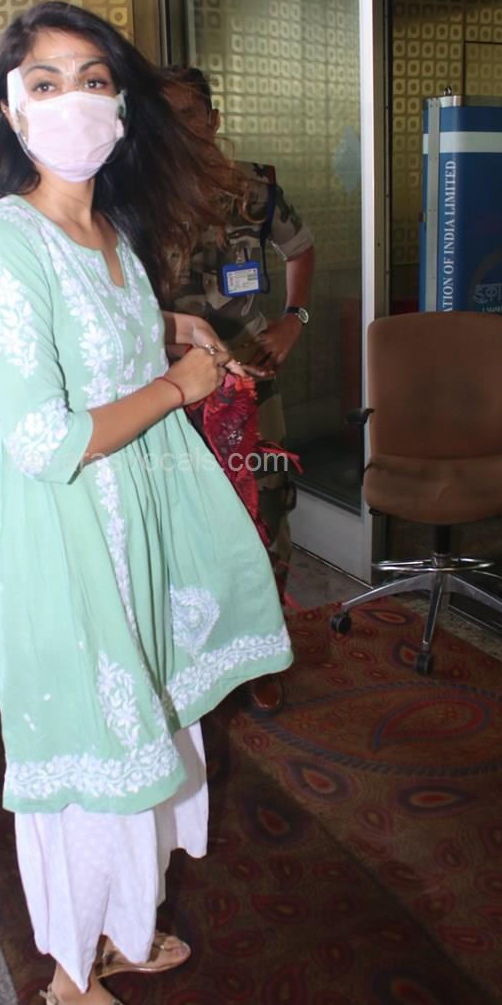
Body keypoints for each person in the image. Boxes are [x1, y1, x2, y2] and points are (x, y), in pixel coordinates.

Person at [0, 1, 292, 1005]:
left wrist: (167, 327)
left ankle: (107, 926)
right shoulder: (1, 243)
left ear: (122, 105)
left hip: (131, 522)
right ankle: (71, 992)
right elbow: (43, 438)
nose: (74, 101)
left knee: (142, 726)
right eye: (45, 82)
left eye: (93, 79)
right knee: (89, 752)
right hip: (62, 535)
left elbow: (102, 339)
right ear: (11, 111)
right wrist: (180, 385)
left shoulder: (110, 234)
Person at [165, 67, 315, 715]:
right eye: (163, 116)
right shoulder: (135, 196)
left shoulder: (256, 193)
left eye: (189, 114)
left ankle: (263, 651)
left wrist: (293, 319)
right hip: (169, 391)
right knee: (183, 521)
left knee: (267, 511)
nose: (179, 128)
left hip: (252, 382)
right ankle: (193, 655)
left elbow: (301, 250)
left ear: (213, 119)